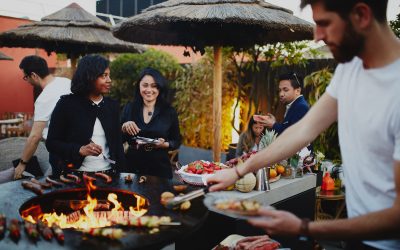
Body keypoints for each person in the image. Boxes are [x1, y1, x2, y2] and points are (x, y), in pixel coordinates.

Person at [208, 0, 400, 249]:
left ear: (361, 15)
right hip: (355, 234)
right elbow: (303, 129)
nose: (317, 37)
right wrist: (237, 171)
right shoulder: (351, 67)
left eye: (324, 23)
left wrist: (303, 227)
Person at [46, 55, 125, 176]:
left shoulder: (112, 106)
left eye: (109, 75)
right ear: (89, 77)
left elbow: (117, 144)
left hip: (109, 175)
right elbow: (52, 143)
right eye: (103, 76)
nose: (109, 80)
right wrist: (79, 150)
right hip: (76, 176)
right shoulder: (67, 104)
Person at [13, 55, 71, 180]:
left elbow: (35, 136)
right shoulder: (67, 82)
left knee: (60, 189)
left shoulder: (44, 98)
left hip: (59, 152)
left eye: (26, 77)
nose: (27, 81)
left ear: (34, 75)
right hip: (77, 148)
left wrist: (22, 164)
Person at [121, 67, 181, 179]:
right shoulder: (129, 108)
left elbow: (176, 140)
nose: (149, 90)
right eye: (145, 85)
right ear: (139, 85)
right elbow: (117, 139)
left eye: (154, 86)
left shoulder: (169, 111)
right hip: (132, 167)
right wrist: (123, 127)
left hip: (160, 169)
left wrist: (164, 144)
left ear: (160, 88)